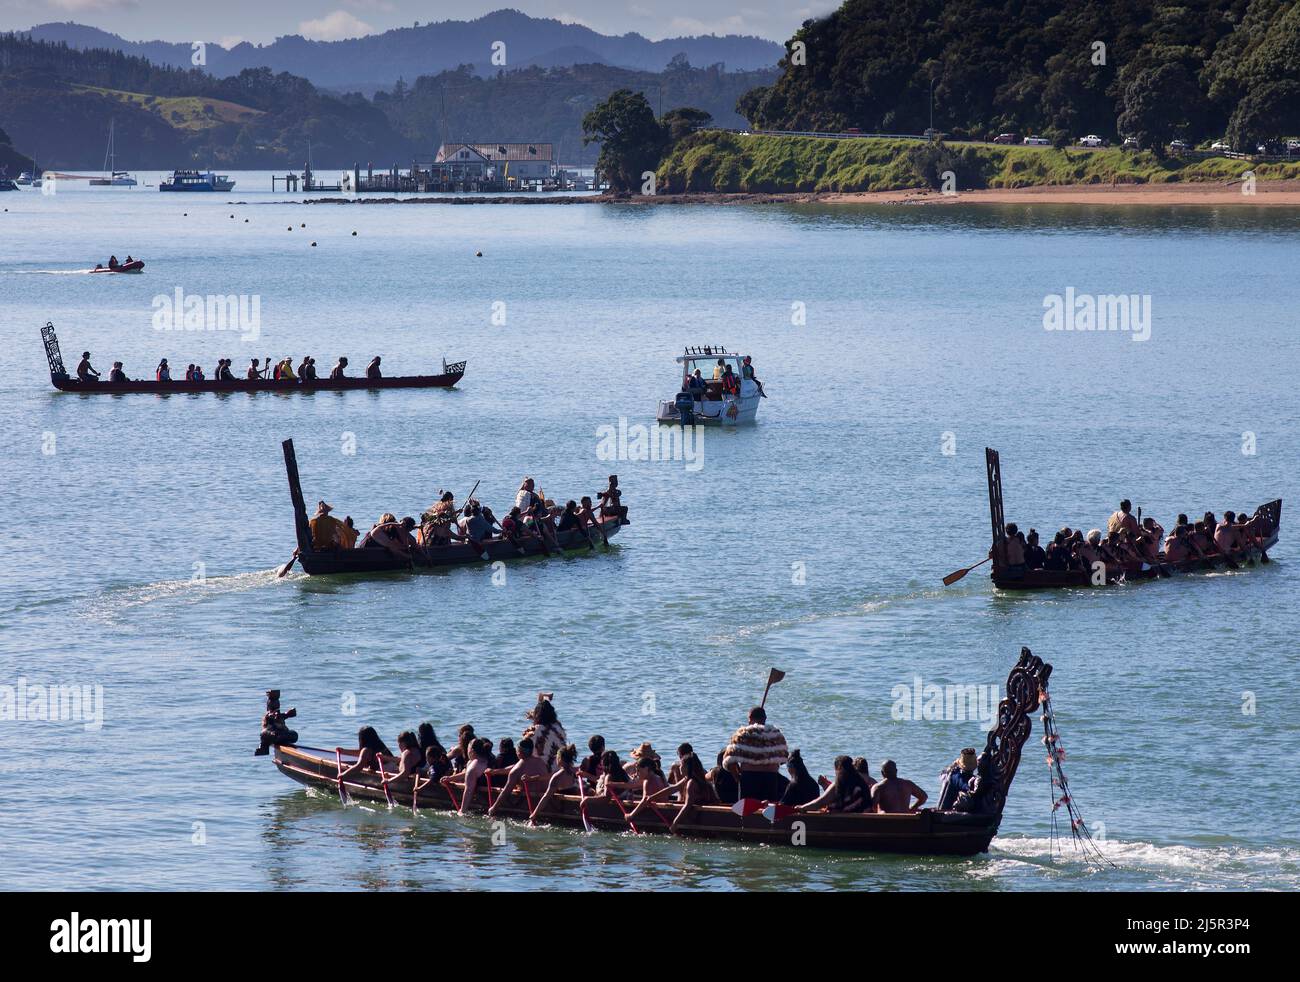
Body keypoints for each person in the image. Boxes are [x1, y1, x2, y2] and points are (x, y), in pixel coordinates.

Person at [722, 705, 789, 801]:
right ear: (765, 718)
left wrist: (736, 776)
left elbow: (729, 760)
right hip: (771, 779)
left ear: (750, 718)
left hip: (749, 778)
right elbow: (784, 758)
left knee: (748, 810)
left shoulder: (743, 734)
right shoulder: (776, 734)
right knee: (767, 809)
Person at [487, 736, 552, 816]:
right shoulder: (541, 762)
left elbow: (506, 792)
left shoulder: (516, 770)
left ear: (519, 752)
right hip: (546, 801)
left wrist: (493, 808)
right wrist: (495, 772)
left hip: (530, 803)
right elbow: (517, 766)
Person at [794, 756, 873, 813]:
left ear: (839, 769)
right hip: (859, 824)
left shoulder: (839, 784)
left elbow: (820, 802)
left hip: (839, 824)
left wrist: (802, 807)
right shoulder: (862, 784)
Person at [530, 744, 582, 822]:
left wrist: (534, 814)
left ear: (560, 759)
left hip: (563, 805)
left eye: (556, 758)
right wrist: (532, 778)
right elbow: (548, 776)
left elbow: (546, 797)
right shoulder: (576, 771)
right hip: (574, 804)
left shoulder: (557, 777)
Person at [522, 695, 566, 768]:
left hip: (542, 769)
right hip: (560, 767)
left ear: (537, 715)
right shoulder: (559, 728)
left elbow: (522, 750)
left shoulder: (534, 731)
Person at [254, 689, 297, 756]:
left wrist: (289, 713)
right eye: (273, 704)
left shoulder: (279, 715)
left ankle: (284, 741)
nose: (275, 705)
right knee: (264, 734)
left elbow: (284, 715)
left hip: (282, 734)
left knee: (294, 734)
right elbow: (273, 716)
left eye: (277, 703)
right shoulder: (269, 715)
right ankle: (263, 748)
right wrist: (280, 715)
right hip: (273, 734)